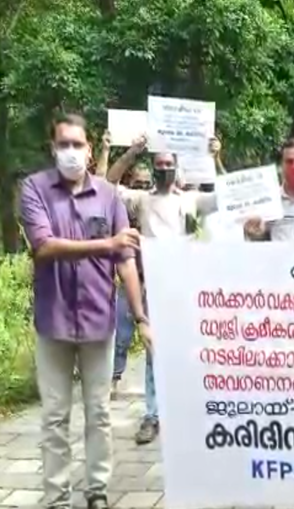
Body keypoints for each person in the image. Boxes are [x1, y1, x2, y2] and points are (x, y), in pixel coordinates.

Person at [18, 114, 150, 509]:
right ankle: (57, 498)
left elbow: (125, 259)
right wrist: (107, 243)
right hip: (53, 319)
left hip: (98, 320)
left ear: (90, 150)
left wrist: (142, 318)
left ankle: (96, 492)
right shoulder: (35, 189)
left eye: (78, 144)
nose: (71, 152)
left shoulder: (110, 195)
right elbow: (44, 246)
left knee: (99, 414)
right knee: (55, 417)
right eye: (64, 144)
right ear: (53, 148)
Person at [106, 136, 219, 445]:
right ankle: (152, 415)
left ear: (177, 168)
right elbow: (109, 185)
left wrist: (213, 157)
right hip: (153, 285)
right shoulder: (142, 200)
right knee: (155, 351)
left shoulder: (189, 200)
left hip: (183, 284)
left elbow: (223, 196)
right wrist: (131, 152)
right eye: (160, 165)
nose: (165, 169)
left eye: (170, 165)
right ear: (154, 169)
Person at [112, 164, 152, 398]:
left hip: (154, 281)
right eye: (139, 183)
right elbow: (108, 184)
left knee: (153, 337)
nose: (143, 188)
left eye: (147, 184)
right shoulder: (122, 210)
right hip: (129, 281)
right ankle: (115, 378)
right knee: (122, 335)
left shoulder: (153, 206)